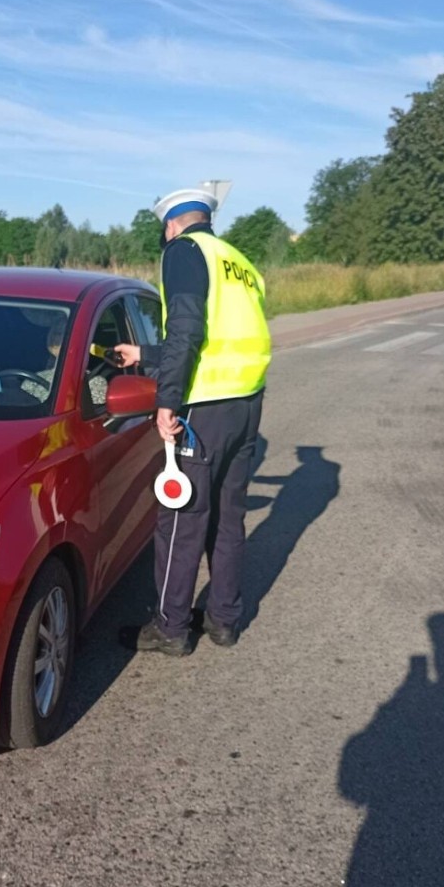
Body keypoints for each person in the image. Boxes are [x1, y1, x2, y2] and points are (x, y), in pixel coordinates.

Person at [115, 187, 272, 656]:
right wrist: (145, 355)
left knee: (181, 518)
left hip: (202, 408)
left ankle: (171, 627)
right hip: (246, 404)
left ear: (171, 225)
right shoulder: (237, 260)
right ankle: (225, 620)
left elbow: (186, 328)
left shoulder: (184, 251)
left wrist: (167, 400)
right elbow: (217, 339)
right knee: (227, 518)